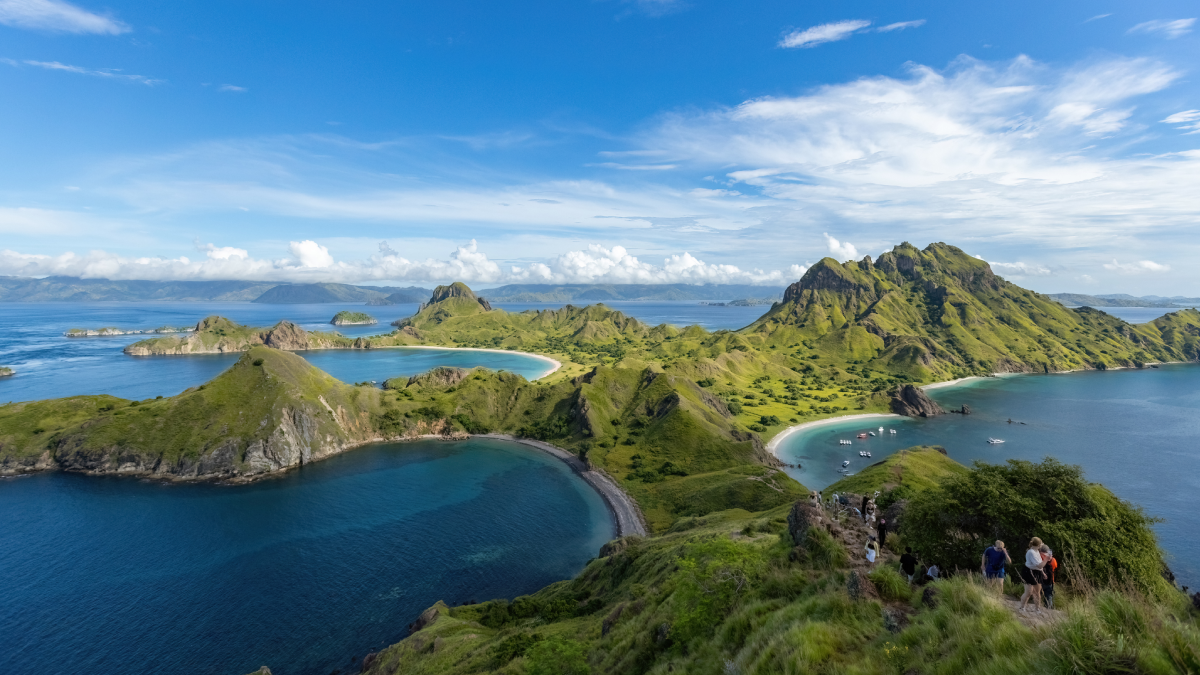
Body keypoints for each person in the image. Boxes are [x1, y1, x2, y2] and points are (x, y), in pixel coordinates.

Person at [1018, 537, 1047, 612]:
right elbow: (1039, 565)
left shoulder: (1036, 551)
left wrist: (1043, 573)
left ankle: (1037, 609)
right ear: (1038, 544)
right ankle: (1022, 607)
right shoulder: (1031, 552)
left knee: (1037, 592)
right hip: (1029, 571)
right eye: (1041, 544)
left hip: (1037, 572)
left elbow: (1039, 564)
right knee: (1029, 592)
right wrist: (1046, 559)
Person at [1040, 544, 1057, 609]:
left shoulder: (1040, 558)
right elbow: (1055, 567)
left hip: (1040, 580)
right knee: (1049, 595)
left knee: (1038, 594)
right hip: (1050, 581)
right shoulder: (1053, 560)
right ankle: (1049, 608)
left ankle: (1036, 607)